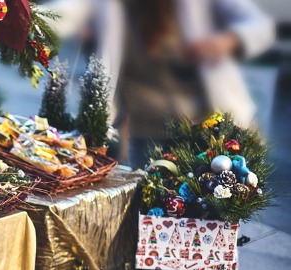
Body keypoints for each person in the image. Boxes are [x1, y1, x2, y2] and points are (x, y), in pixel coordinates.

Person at [45, 0, 275, 166]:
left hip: (208, 132)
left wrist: (228, 40)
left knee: (207, 213)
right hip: (145, 137)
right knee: (147, 212)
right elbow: (62, 14)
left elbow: (261, 26)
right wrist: (24, 15)